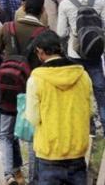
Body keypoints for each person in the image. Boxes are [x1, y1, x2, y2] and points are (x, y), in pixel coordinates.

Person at [0, 0, 46, 185]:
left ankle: (8, 175)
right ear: (41, 10)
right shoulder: (43, 33)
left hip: (8, 87)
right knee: (32, 134)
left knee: (5, 133)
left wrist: (8, 61)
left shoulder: (8, 27)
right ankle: (33, 177)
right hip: (32, 88)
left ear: (23, 8)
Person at [25, 30, 92, 184]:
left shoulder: (36, 79)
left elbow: (33, 118)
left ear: (39, 52)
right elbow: (90, 111)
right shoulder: (83, 76)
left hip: (49, 153)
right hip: (77, 152)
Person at [57, 0, 105, 128]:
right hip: (95, 50)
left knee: (78, 90)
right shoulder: (99, 0)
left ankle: (87, 125)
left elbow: (61, 32)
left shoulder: (65, 3)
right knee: (100, 89)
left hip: (75, 53)